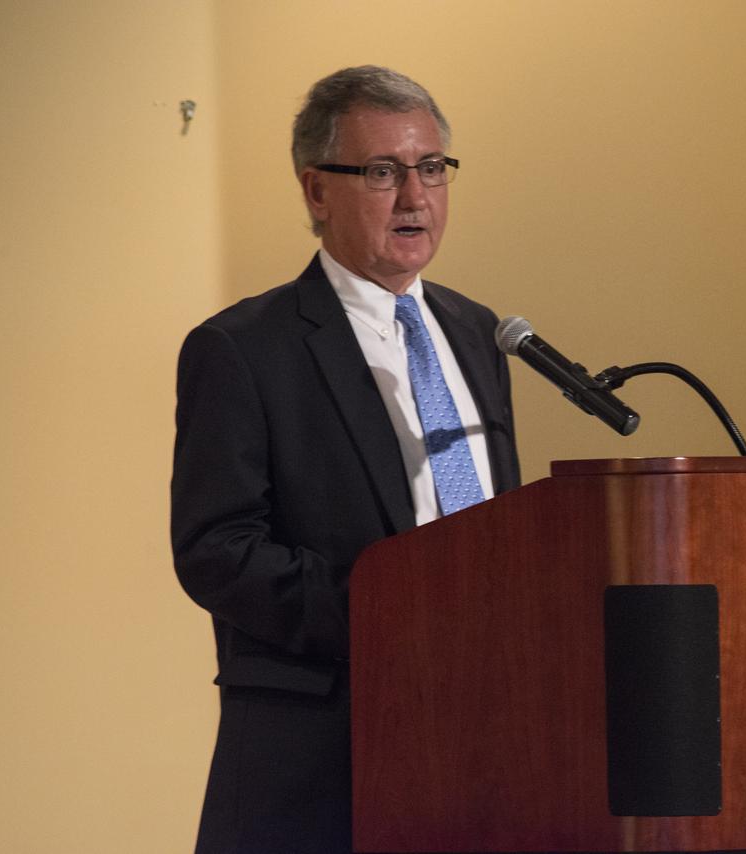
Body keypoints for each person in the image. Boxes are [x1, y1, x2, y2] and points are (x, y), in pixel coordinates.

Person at [170, 65, 521, 854]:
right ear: (316, 192)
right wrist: (399, 616)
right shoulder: (243, 350)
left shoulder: (478, 332)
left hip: (484, 745)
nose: (414, 197)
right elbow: (216, 552)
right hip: (319, 760)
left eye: (431, 168)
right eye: (380, 172)